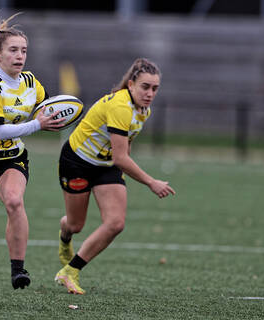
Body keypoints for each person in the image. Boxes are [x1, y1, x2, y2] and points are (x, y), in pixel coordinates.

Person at [0, 13, 64, 301]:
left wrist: (56, 114)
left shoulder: (31, 81)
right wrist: (37, 125)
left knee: (15, 201)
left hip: (12, 159)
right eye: (13, 50)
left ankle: (18, 269)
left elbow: (44, 108)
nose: (20, 56)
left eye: (24, 50)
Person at [54, 58, 176, 294]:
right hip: (77, 162)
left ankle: (70, 271)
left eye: (155, 88)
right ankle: (65, 234)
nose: (150, 93)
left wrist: (118, 182)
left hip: (106, 165)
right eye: (145, 87)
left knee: (116, 223)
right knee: (76, 224)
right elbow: (121, 157)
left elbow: (124, 147)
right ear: (131, 85)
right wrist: (151, 182)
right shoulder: (120, 106)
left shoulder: (143, 109)